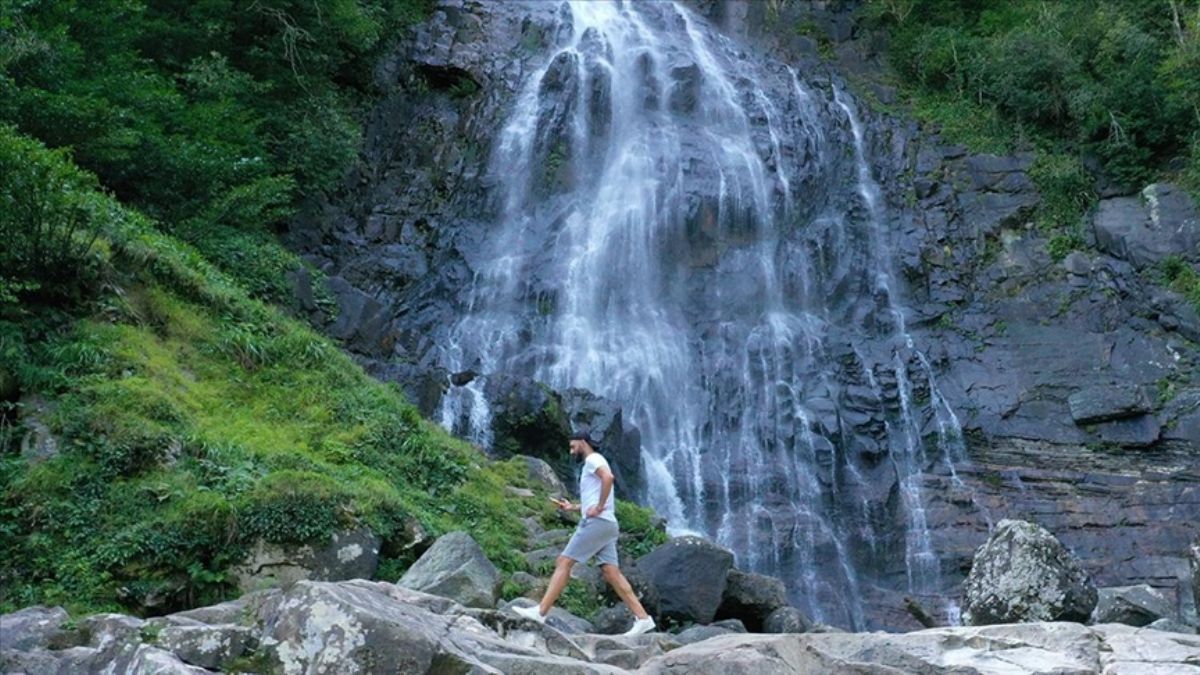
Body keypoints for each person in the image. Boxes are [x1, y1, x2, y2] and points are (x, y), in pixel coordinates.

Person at [512, 431, 656, 636]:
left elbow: (608, 478)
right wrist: (573, 507)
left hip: (597, 522)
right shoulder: (595, 461)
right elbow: (597, 492)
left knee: (564, 561)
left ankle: (541, 612)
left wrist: (598, 507)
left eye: (573, 446)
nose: (571, 451)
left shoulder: (593, 459)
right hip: (608, 524)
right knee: (611, 573)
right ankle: (643, 619)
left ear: (582, 442)